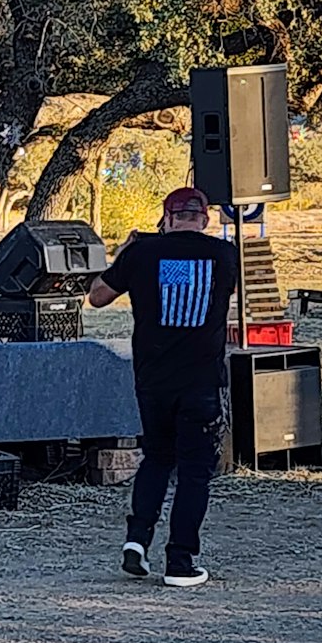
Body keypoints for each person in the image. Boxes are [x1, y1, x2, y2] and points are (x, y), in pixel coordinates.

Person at [87, 186, 241, 589]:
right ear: (205, 218)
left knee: (156, 459)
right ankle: (180, 560)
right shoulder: (225, 255)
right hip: (201, 382)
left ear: (167, 218)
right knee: (194, 472)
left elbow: (98, 297)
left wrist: (128, 252)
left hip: (153, 381)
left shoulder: (141, 253)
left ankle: (136, 541)